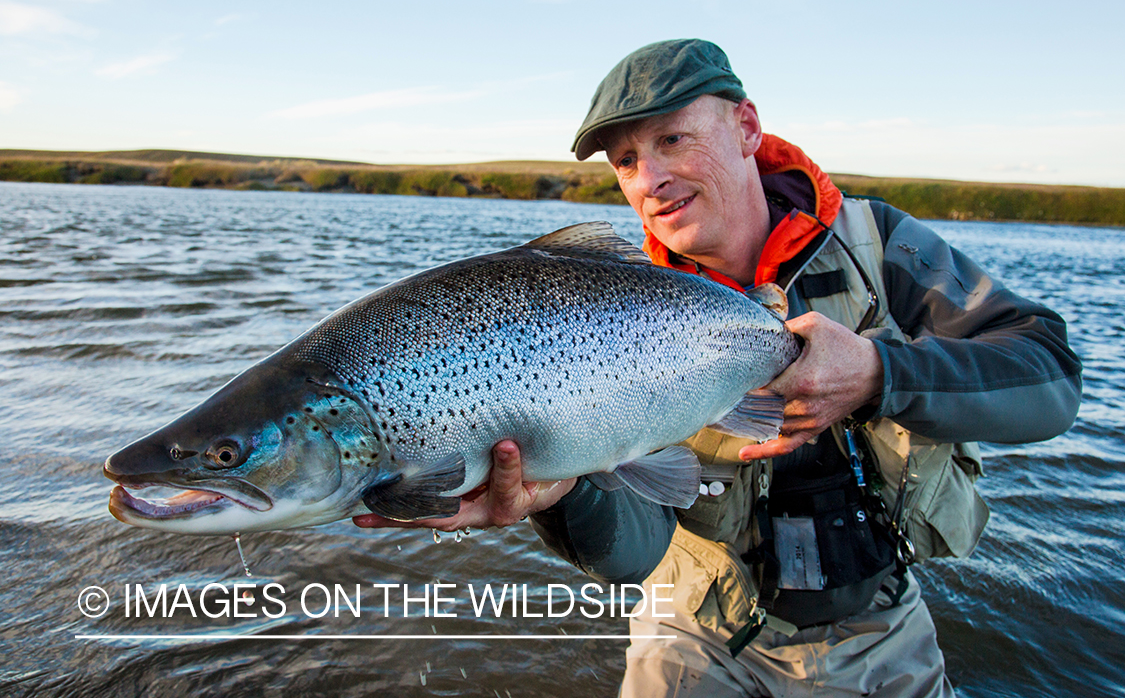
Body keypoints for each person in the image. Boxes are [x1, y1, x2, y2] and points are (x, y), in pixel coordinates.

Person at [355, 39, 1082, 696]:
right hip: (689, 637)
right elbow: (637, 556)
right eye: (626, 161)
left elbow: (1048, 379)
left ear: (746, 127)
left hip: (877, 638)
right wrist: (562, 494)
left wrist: (874, 372)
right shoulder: (598, 308)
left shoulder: (876, 243)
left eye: (672, 138)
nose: (650, 179)